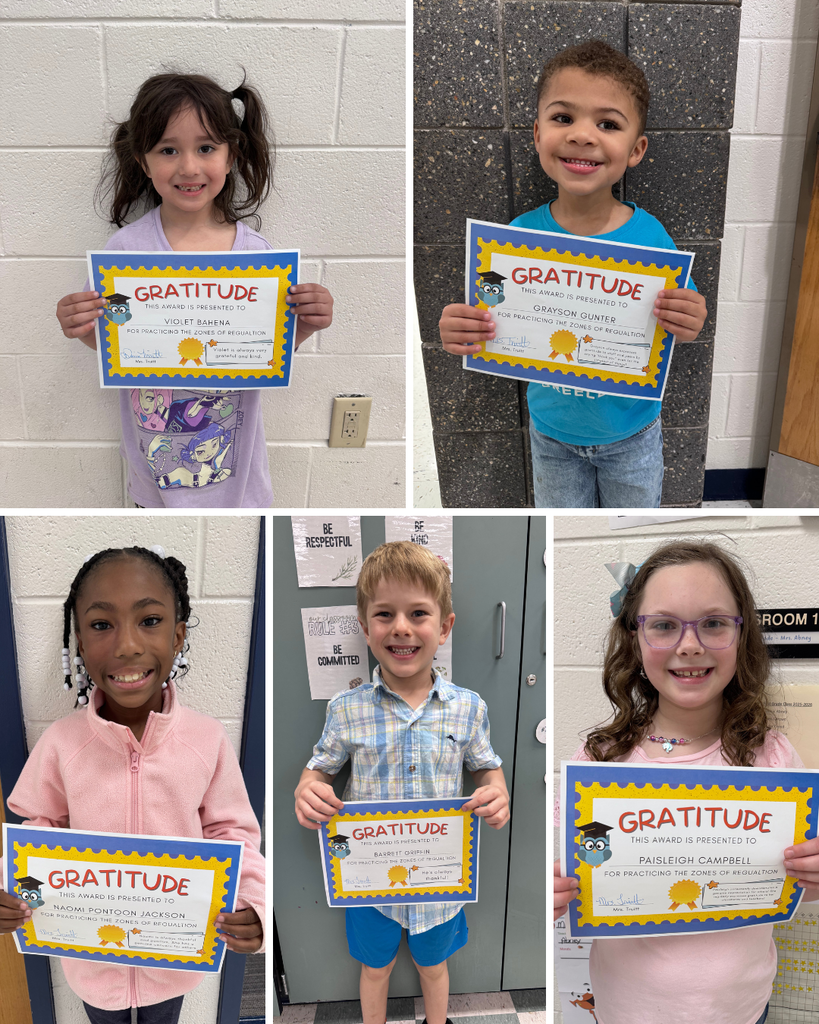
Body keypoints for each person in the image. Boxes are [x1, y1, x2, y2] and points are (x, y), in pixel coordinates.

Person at [554, 540, 819, 1024]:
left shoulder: (775, 759)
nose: (690, 644)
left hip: (742, 1011)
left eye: (714, 623)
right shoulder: (599, 763)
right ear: (635, 639)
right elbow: (558, 870)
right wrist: (549, 888)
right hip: (628, 1011)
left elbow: (799, 883)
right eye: (664, 625)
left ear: (742, 636)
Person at [0, 545, 265, 1024]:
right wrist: (15, 892)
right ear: (78, 641)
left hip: (175, 960)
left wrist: (253, 903)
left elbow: (235, 835)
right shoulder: (62, 744)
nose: (126, 646)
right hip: (92, 965)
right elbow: (38, 835)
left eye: (149, 621)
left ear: (178, 635)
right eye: (102, 625)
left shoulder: (207, 740)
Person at [439, 40, 708, 508]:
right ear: (537, 133)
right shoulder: (515, 240)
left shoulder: (651, 239)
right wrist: (462, 329)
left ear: (636, 149)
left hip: (633, 435)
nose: (583, 135)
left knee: (634, 536)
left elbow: (681, 324)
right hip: (552, 438)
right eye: (564, 118)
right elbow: (486, 308)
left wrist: (691, 316)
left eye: (607, 124)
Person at [55, 72, 334, 507]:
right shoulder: (124, 254)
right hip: (154, 475)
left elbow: (267, 349)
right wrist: (81, 326)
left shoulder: (257, 258)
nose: (188, 167)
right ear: (144, 162)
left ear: (230, 156)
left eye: (205, 148)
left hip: (239, 482)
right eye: (168, 150)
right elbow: (113, 342)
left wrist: (307, 326)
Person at [294, 541, 510, 1024]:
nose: (401, 628)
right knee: (375, 970)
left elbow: (486, 765)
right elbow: (320, 768)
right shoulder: (346, 709)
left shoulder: (468, 707)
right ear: (364, 626)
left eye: (418, 613)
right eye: (384, 614)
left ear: (445, 626)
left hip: (440, 882)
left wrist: (497, 791)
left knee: (435, 968)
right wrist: (306, 787)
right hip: (370, 887)